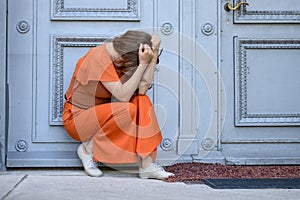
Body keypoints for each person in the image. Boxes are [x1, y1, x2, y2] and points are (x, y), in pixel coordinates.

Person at [62, 30, 174, 180]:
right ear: (126, 59)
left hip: (106, 115)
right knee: (127, 108)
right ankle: (88, 150)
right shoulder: (98, 58)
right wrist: (142, 65)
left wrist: (153, 54)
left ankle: (147, 165)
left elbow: (142, 90)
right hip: (78, 118)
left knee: (142, 101)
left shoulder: (120, 59)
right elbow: (122, 96)